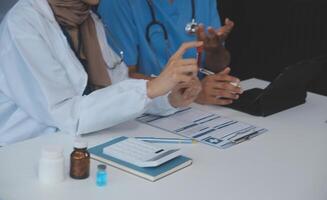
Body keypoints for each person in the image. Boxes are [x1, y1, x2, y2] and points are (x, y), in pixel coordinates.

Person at [0, 0, 202, 146]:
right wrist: (150, 89)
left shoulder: (88, 21)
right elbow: (67, 114)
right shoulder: (23, 23)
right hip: (24, 150)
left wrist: (167, 98)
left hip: (77, 142)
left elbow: (116, 88)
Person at [98, 0, 243, 106]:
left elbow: (216, 66)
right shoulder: (117, 4)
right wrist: (192, 91)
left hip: (198, 110)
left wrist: (214, 50)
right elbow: (120, 78)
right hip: (145, 112)